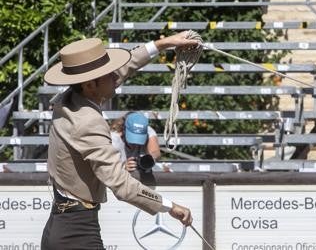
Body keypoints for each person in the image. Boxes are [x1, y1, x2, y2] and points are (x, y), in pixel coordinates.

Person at [40, 32, 200, 250]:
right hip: (76, 232)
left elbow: (125, 67)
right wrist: (169, 207)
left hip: (64, 224)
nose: (116, 76)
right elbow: (122, 185)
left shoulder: (69, 99)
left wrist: (164, 44)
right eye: (108, 75)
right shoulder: (88, 123)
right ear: (89, 85)